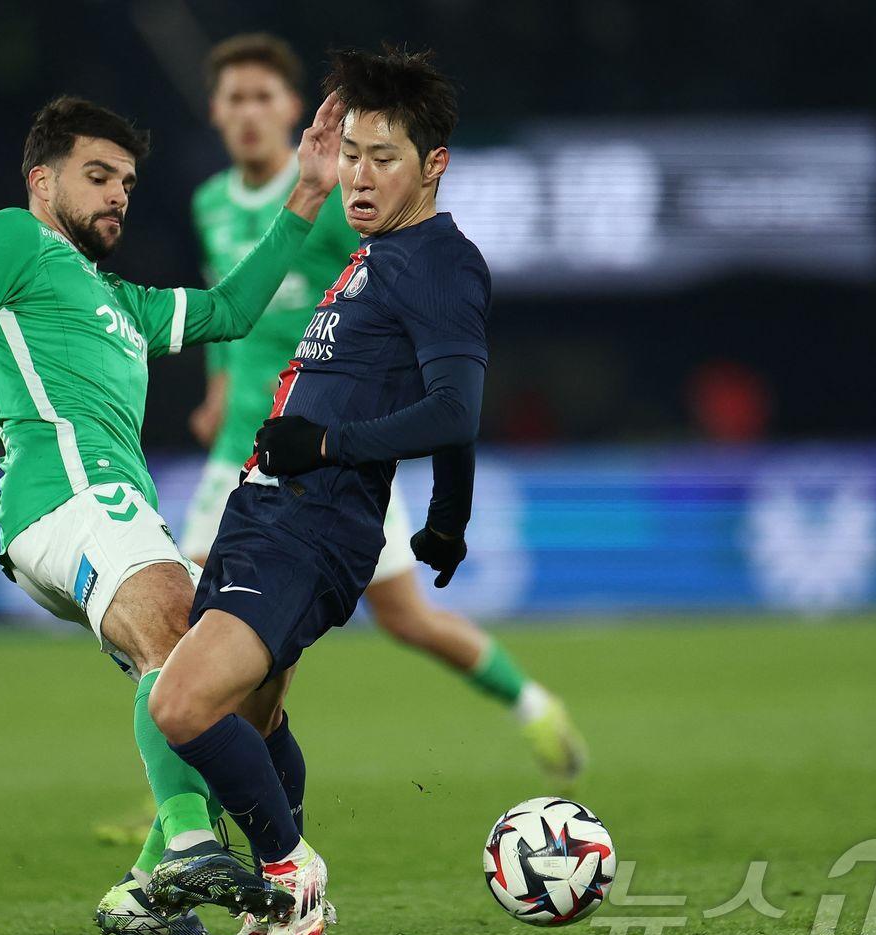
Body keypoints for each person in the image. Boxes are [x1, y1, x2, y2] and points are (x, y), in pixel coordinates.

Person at [0, 92, 345, 935]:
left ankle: (144, 892)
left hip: (109, 513)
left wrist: (305, 193)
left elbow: (229, 310)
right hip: (65, 497)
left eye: (128, 181)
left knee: (255, 671)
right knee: (182, 634)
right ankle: (193, 844)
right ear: (43, 180)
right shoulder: (12, 238)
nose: (118, 193)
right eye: (98, 175)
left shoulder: (119, 301)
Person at [148, 45, 493, 935]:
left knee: (179, 707)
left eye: (385, 157)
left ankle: (291, 869)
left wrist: (331, 446)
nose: (362, 175)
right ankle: (276, 907)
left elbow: (458, 406)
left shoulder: (440, 262)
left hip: (315, 520)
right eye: (354, 154)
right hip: (265, 509)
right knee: (256, 723)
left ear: (433, 166)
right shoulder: (374, 255)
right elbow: (443, 419)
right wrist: (447, 518)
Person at [184, 35, 586, 801]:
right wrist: (217, 387)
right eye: (233, 98)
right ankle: (193, 815)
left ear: (296, 111)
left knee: (393, 621)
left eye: (262, 97)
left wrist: (374, 464)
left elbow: (440, 381)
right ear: (214, 111)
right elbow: (232, 306)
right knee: (205, 645)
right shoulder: (213, 203)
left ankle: (529, 701)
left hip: (327, 462)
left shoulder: (367, 223)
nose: (247, 114)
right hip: (250, 447)